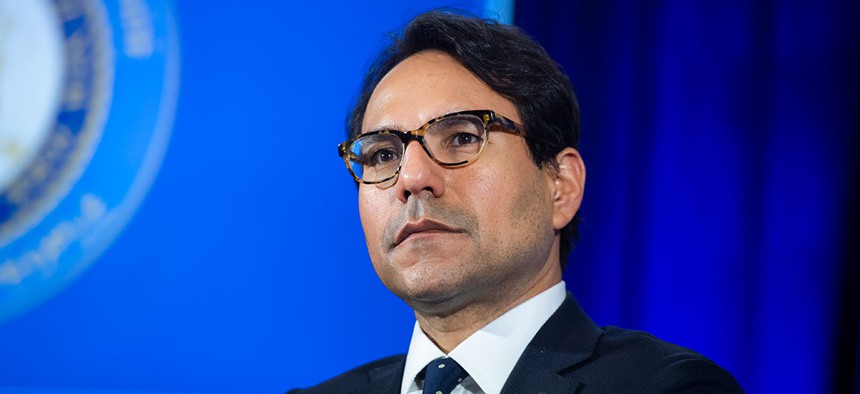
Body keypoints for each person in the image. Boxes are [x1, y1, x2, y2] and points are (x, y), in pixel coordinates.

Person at [290, 10, 743, 394]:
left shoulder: (665, 387)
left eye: (462, 137)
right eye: (384, 154)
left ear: (560, 185)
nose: (412, 178)